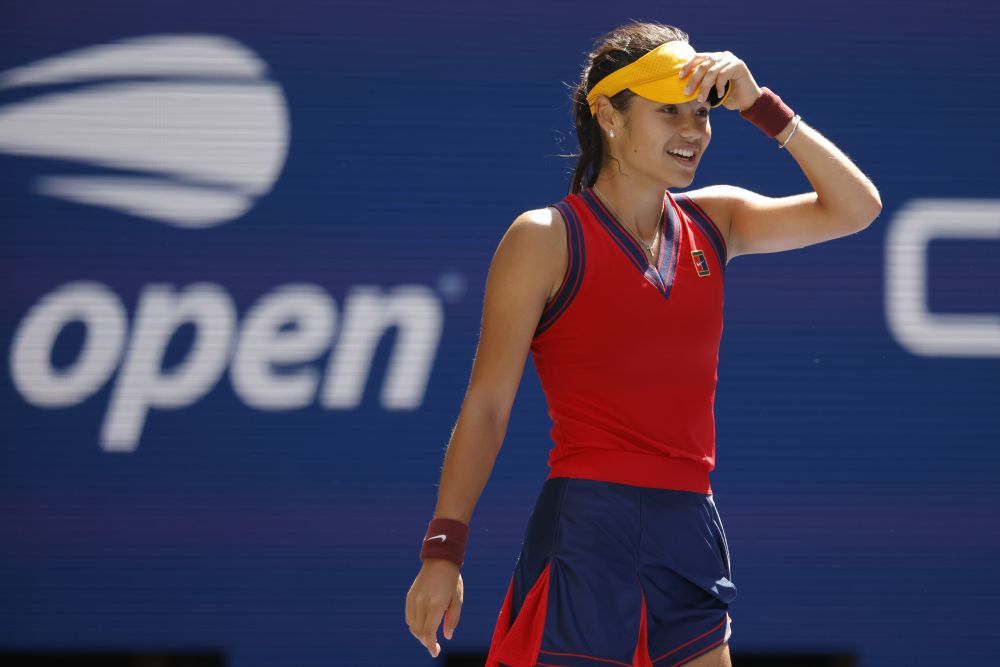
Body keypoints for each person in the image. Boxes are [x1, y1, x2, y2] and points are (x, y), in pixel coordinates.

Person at [405, 20, 881, 667]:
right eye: (668, 114)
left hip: (691, 529)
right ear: (608, 115)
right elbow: (487, 405)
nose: (694, 133)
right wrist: (443, 549)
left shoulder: (718, 220)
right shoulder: (544, 237)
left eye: (702, 113)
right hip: (587, 531)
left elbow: (858, 206)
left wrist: (761, 106)